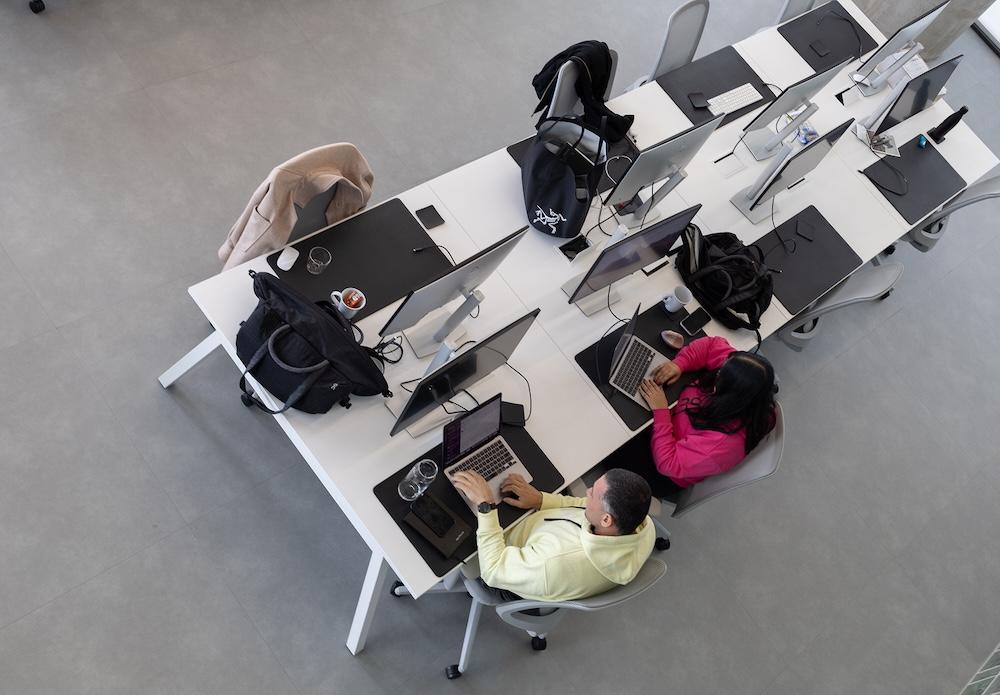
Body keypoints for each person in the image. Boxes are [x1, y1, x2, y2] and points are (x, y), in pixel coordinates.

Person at [450, 468, 654, 603]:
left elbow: (493, 570)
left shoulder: (553, 564)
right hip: (537, 530)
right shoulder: (642, 525)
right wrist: (540, 500)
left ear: (606, 520)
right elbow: (581, 508)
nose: (587, 491)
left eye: (593, 493)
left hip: (501, 568)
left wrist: (486, 506)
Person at [628, 335, 776, 498]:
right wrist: (679, 365)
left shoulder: (722, 445)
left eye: (720, 377)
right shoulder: (744, 378)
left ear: (731, 396)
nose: (717, 373)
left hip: (659, 471)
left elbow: (668, 463)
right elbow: (711, 346)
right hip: (664, 419)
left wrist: (661, 412)